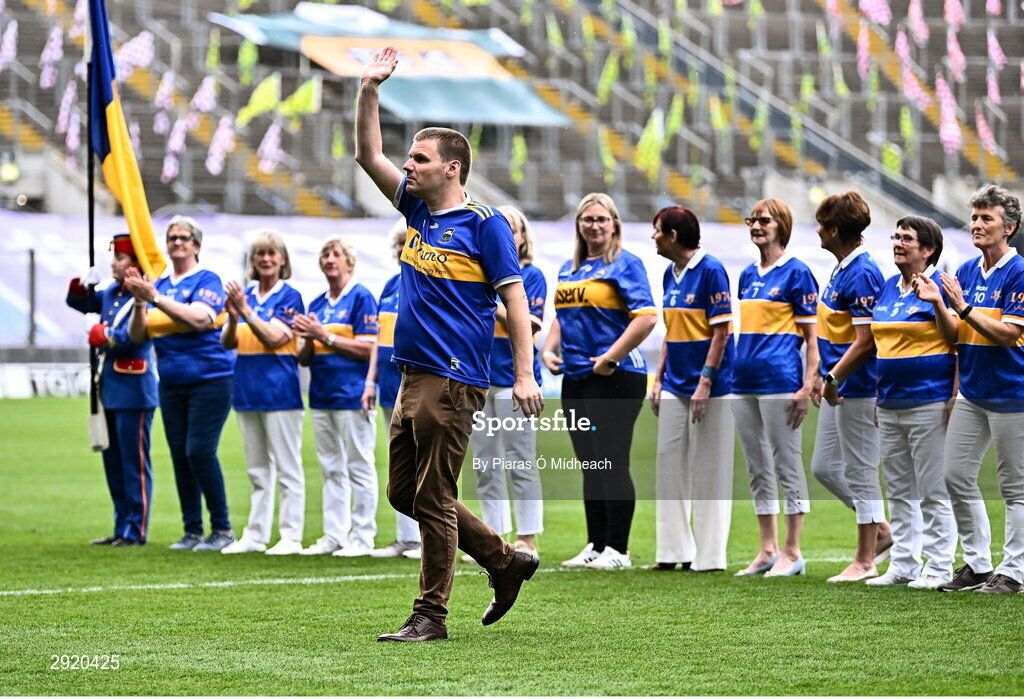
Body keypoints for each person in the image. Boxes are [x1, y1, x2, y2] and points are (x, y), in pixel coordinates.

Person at [355, 45, 545, 642]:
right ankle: (502, 558)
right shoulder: (416, 214)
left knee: (433, 494)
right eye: (409, 158)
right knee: (404, 493)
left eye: (420, 158)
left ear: (452, 168)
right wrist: (368, 88)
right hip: (412, 374)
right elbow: (367, 153)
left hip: (455, 374)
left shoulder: (484, 224)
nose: (408, 166)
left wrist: (524, 373)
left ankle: (430, 615)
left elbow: (514, 299)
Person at [913, 185, 1024, 594]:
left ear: (1009, 227)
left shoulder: (1019, 272)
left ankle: (1015, 571)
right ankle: (978, 564)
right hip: (974, 393)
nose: (977, 224)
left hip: (1014, 393)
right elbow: (953, 335)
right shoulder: (966, 272)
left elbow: (1009, 335)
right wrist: (939, 305)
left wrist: (960, 307)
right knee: (954, 474)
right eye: (975, 217)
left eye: (986, 218)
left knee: (1016, 486)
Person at [543, 193, 657, 571]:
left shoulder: (626, 264)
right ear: (578, 225)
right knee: (591, 463)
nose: (594, 225)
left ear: (614, 225)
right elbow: (562, 314)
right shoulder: (568, 269)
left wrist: (611, 357)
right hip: (576, 377)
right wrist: (549, 348)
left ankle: (619, 551)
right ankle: (596, 544)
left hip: (617, 376)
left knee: (611, 461)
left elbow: (646, 317)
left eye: (601, 219)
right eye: (587, 219)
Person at [124, 216, 236, 551]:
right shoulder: (160, 283)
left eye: (184, 237)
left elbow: (201, 319)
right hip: (171, 381)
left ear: (196, 246)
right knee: (179, 455)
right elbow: (138, 334)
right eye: (171, 237)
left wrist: (155, 298)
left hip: (210, 379)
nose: (176, 242)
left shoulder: (206, 279)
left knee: (199, 451)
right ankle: (192, 529)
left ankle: (222, 528)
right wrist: (141, 302)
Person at [866, 217, 957, 589]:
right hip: (889, 402)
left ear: (928, 250)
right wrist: (877, 395)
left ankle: (939, 567)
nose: (898, 243)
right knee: (899, 487)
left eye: (907, 239)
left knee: (933, 488)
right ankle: (903, 563)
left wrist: (952, 395)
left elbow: (957, 339)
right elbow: (881, 346)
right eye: (896, 236)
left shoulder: (942, 288)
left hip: (928, 401)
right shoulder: (889, 287)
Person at [731, 200, 818, 577]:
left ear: (781, 224)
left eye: (763, 220)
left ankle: (792, 550)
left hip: (780, 380)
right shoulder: (747, 274)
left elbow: (813, 338)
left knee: (786, 464)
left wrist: (807, 384)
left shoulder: (798, 273)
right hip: (742, 380)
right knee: (757, 467)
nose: (756, 226)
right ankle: (766, 548)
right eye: (752, 220)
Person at [808, 192, 892, 582]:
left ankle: (865, 559)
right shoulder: (843, 267)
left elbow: (867, 339)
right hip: (837, 384)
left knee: (860, 470)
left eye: (822, 224)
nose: (818, 231)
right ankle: (882, 530)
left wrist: (833, 376)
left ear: (836, 229)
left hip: (857, 385)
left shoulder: (862, 272)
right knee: (825, 467)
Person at [648, 206, 735, 573]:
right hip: (674, 383)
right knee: (668, 464)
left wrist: (705, 382)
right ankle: (672, 551)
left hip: (710, 387)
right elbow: (672, 330)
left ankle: (710, 556)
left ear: (672, 235)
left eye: (657, 230)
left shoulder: (712, 270)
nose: (653, 236)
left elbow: (721, 331)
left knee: (709, 468)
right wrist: (659, 375)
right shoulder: (671, 273)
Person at [66, 233, 158, 546]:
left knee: (134, 464)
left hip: (134, 389)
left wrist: (101, 333)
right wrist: (82, 282)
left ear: (135, 262)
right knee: (114, 463)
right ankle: (122, 526)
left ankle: (136, 530)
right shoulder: (110, 293)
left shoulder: (142, 295)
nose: (114, 263)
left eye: (121, 258)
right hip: (109, 387)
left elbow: (131, 338)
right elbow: (78, 302)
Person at [219, 231, 306, 555]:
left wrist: (245, 310)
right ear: (252, 261)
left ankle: (291, 536)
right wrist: (232, 316)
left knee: (286, 468)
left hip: (279, 393)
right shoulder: (248, 296)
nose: (266, 259)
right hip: (247, 390)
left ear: (282, 260)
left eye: (272, 253)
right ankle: (255, 535)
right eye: (259, 254)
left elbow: (272, 337)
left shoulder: (290, 297)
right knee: (256, 469)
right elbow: (228, 341)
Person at [468, 205, 546, 559]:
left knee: (520, 460)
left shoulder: (531, 277)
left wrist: (495, 298)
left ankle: (527, 537)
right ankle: (493, 537)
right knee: (486, 463)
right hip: (480, 379)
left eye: (511, 229)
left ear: (522, 237)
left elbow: (530, 324)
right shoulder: (477, 274)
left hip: (515, 381)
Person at [294, 237, 380, 558]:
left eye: (336, 254)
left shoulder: (361, 298)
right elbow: (303, 358)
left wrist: (324, 336)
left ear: (349, 262)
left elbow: (368, 348)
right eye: (325, 255)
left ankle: (362, 535)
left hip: (352, 394)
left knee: (359, 466)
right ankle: (334, 534)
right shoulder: (316, 304)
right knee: (331, 468)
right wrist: (305, 339)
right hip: (321, 394)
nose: (330, 259)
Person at [365, 221, 422, 560]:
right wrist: (371, 380)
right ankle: (404, 537)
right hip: (388, 383)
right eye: (402, 243)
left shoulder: (428, 282)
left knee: (421, 459)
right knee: (399, 460)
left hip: (415, 381)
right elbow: (377, 340)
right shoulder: (389, 285)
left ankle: (421, 537)